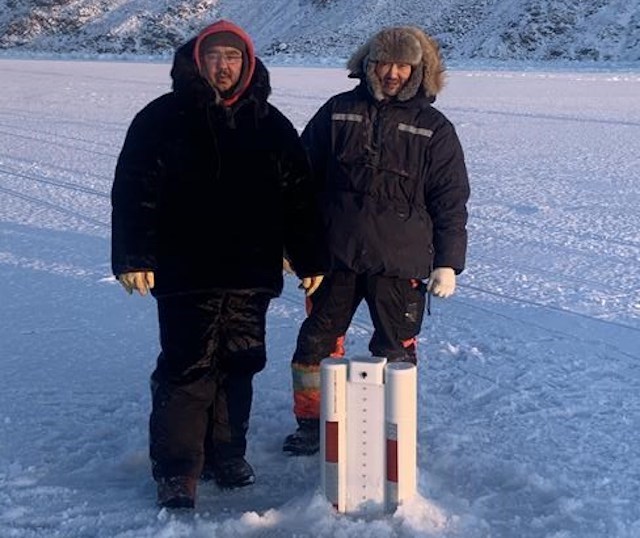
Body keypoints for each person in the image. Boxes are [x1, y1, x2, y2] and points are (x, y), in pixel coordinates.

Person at [111, 19, 327, 509]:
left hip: (251, 274)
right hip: (187, 273)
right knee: (188, 369)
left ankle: (227, 454)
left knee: (240, 364)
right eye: (214, 57)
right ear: (197, 61)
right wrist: (133, 256)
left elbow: (298, 196)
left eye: (233, 57)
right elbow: (133, 189)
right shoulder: (160, 119)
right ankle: (178, 470)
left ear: (247, 64)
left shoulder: (271, 124)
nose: (223, 66)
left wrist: (309, 253)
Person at [282, 25, 470, 456]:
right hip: (334, 256)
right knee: (315, 344)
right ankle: (313, 422)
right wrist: (292, 244)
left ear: (418, 71)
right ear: (368, 65)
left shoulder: (435, 129)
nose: (392, 73)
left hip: (400, 263)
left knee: (395, 350)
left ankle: (393, 422)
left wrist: (448, 262)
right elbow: (298, 181)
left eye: (403, 65)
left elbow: (451, 199)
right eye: (384, 63)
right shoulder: (337, 112)